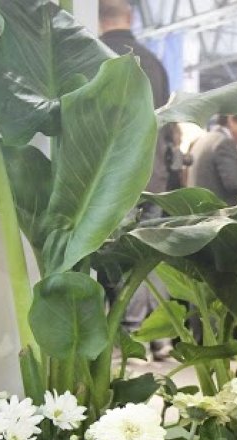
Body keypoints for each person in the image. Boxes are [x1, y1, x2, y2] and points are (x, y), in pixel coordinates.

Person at [100, 0, 174, 360]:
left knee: (111, 257)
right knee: (148, 258)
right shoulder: (155, 63)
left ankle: (125, 338)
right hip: (155, 177)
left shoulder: (97, 53)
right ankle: (155, 335)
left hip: (113, 179)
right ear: (130, 16)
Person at [188, 112, 237, 206]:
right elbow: (235, 183)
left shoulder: (204, 140)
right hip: (217, 215)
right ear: (232, 120)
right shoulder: (224, 142)